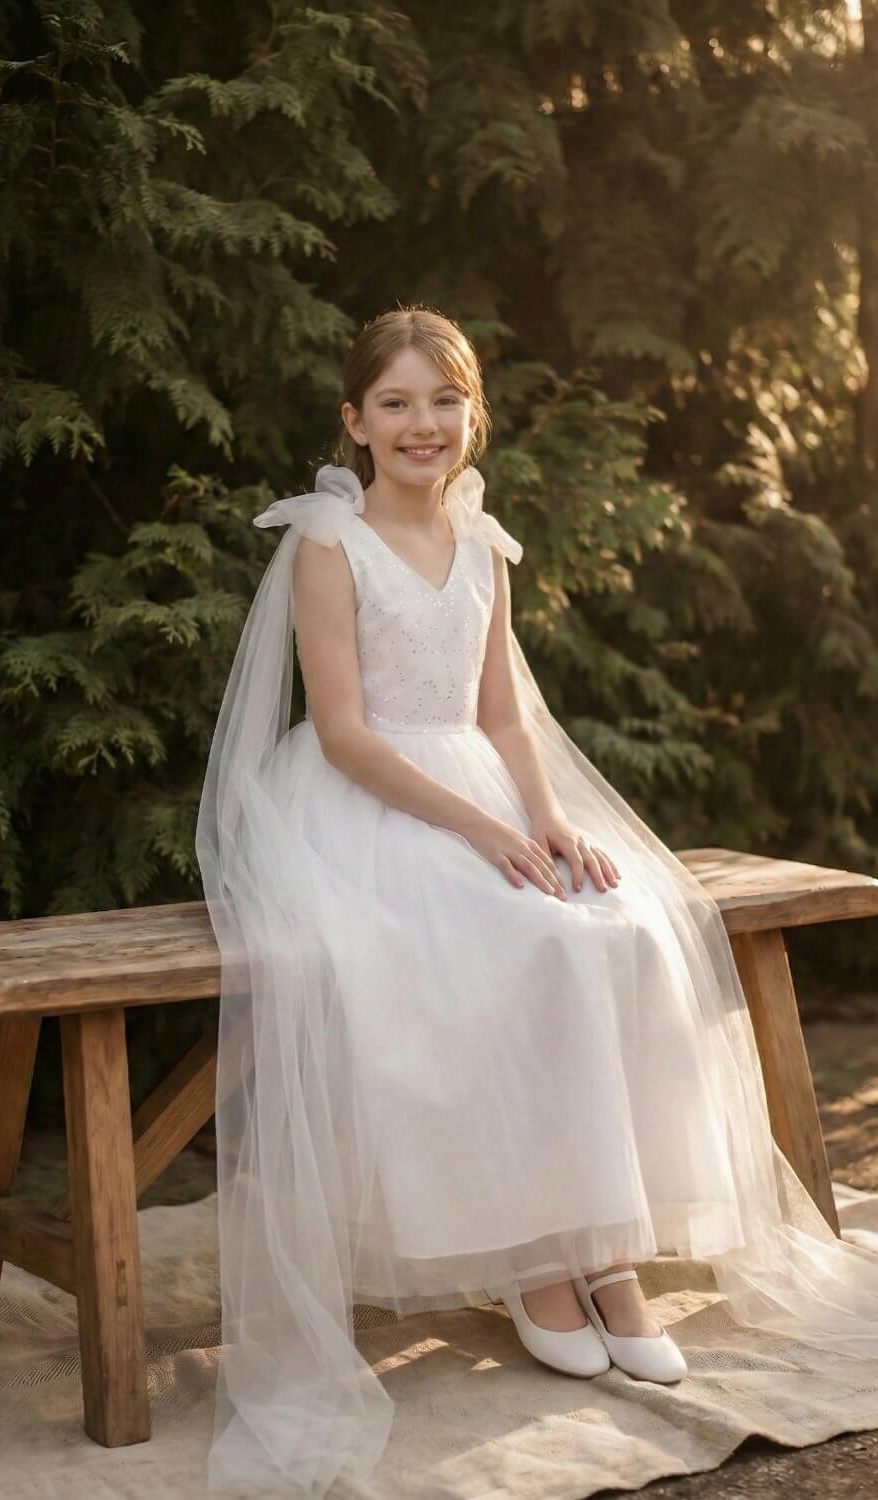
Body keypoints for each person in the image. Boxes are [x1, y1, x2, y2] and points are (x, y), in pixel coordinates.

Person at [196, 306, 878, 1499]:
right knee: (521, 945)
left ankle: (604, 1250)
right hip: (370, 804)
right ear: (355, 421)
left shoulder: (481, 540)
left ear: (474, 416)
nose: (421, 424)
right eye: (395, 403)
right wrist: (479, 831)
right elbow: (345, 732)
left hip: (482, 785)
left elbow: (505, 713)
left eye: (443, 400)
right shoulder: (328, 543)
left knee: (623, 934)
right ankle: (532, 1260)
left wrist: (545, 817)